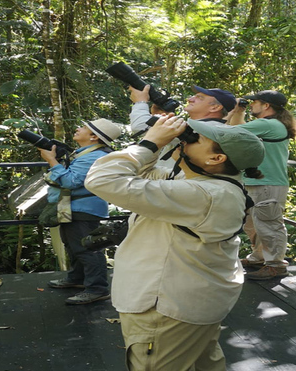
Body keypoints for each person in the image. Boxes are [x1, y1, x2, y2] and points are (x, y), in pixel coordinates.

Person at [84, 115, 265, 371]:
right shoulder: (206, 184)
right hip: (194, 303)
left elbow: (103, 180)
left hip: (167, 309)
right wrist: (162, 143)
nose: (185, 139)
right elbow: (143, 172)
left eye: (195, 138)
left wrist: (149, 143)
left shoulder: (202, 194)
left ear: (216, 158)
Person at [41, 118, 122, 305]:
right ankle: (76, 279)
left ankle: (97, 289)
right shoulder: (84, 154)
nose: (78, 129)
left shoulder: (93, 157)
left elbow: (70, 182)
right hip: (72, 206)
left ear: (94, 137)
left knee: (87, 249)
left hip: (83, 208)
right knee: (72, 245)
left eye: (83, 128)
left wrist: (52, 160)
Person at [228, 89, 296, 280]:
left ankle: (276, 265)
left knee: (269, 224)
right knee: (253, 224)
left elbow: (228, 133)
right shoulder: (270, 124)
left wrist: (230, 110)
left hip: (268, 183)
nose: (251, 105)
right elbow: (242, 131)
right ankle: (259, 257)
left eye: (255, 102)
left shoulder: (269, 124)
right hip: (259, 181)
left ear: (266, 106)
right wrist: (239, 111)